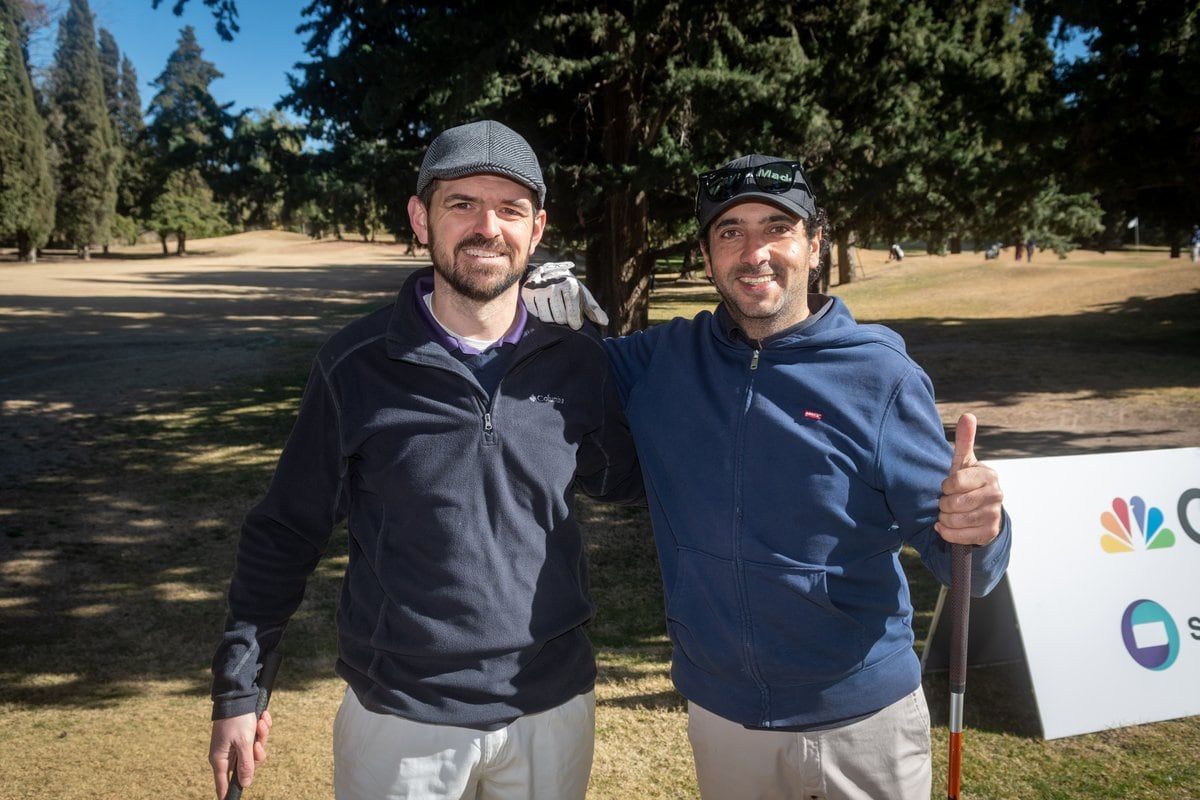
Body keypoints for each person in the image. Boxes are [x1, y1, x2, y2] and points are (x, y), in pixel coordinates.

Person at [523, 154, 1011, 799]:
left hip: (862, 720)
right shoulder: (661, 359)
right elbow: (563, 372)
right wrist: (533, 308)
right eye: (730, 232)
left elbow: (967, 564)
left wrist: (980, 526)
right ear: (707, 258)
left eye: (777, 228)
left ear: (814, 246)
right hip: (724, 718)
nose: (754, 252)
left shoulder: (879, 376)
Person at [207, 120, 642, 800]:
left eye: (509, 209)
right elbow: (286, 531)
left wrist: (607, 358)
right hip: (402, 721)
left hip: (552, 709)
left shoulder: (575, 363)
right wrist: (241, 687)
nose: (486, 226)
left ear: (537, 229)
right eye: (461, 204)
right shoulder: (355, 366)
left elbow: (621, 483)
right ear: (421, 218)